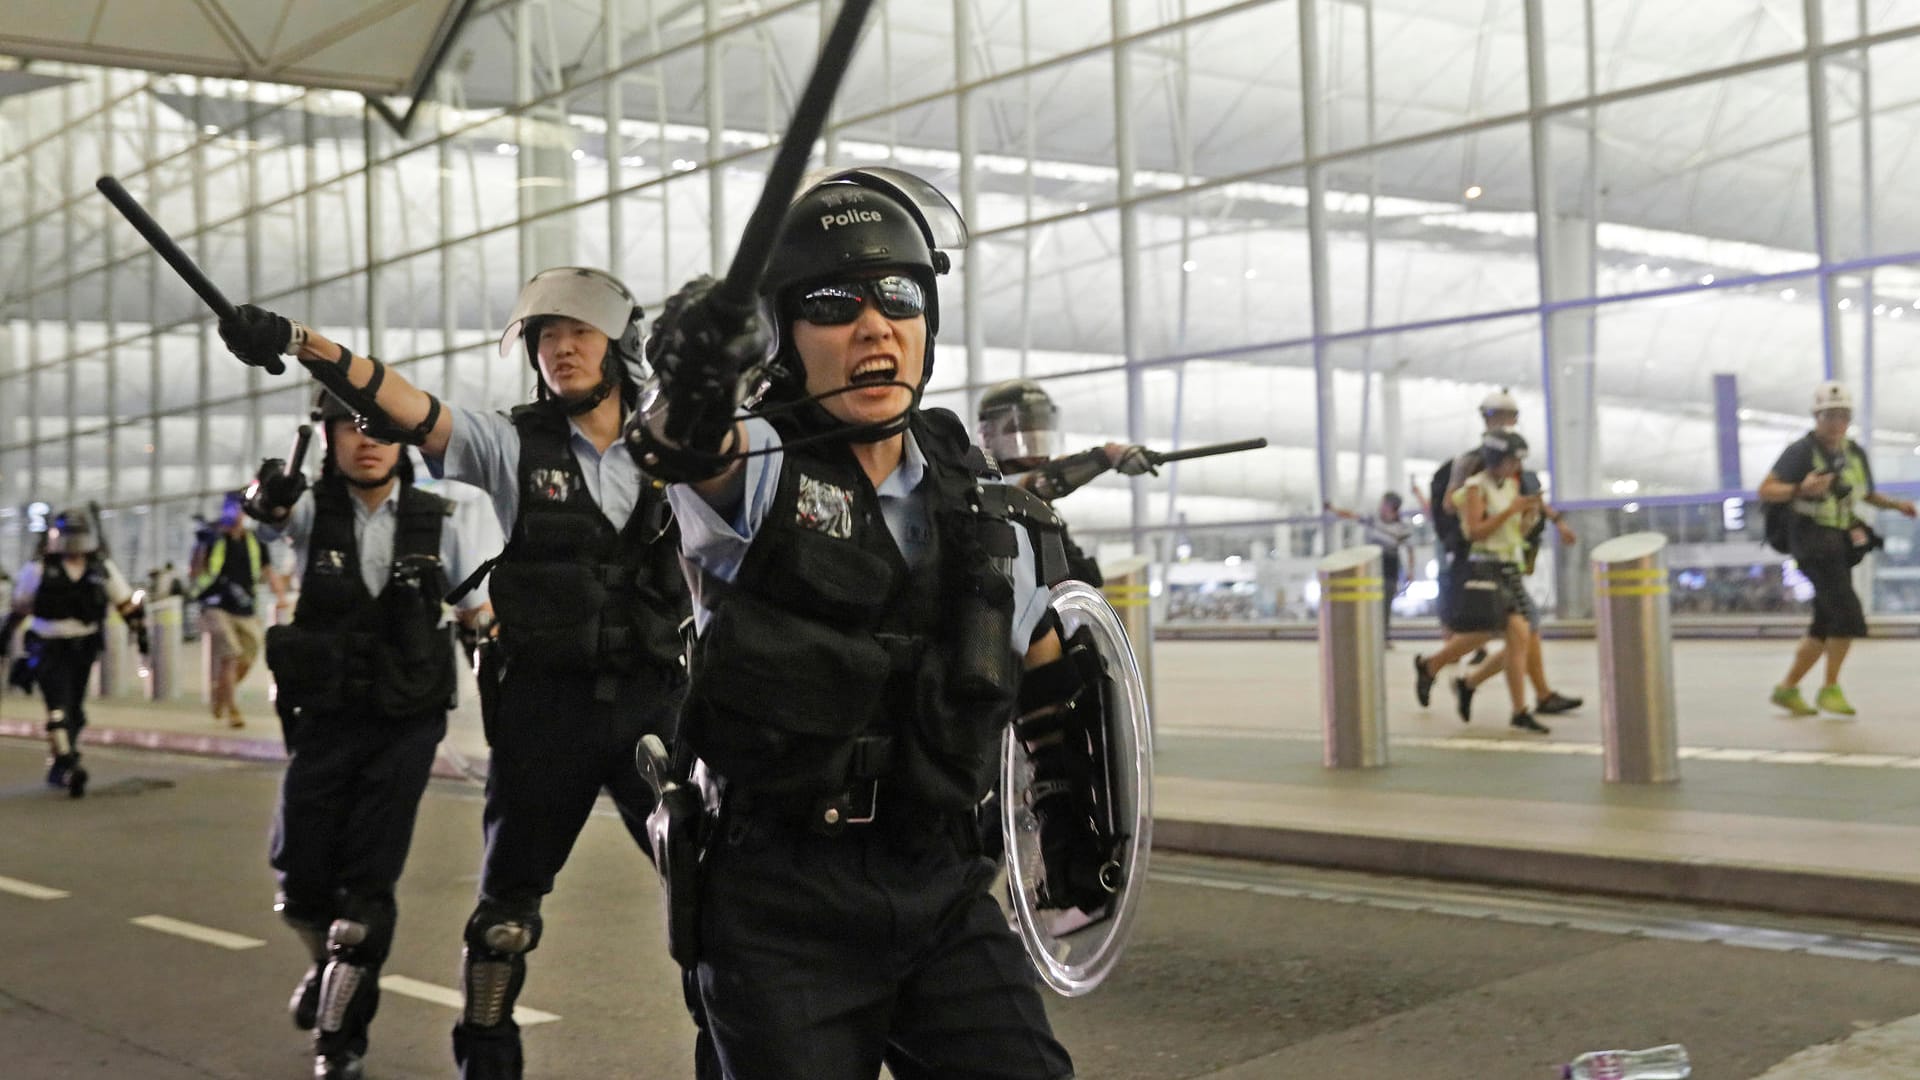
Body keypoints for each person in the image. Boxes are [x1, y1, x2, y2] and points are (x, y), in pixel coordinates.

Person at [629, 167, 1076, 1080]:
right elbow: (680, 445)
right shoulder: (755, 468)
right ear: (787, 339)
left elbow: (1050, 672)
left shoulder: (983, 505)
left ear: (925, 327)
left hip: (941, 881)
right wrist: (695, 368)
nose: (873, 325)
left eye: (898, 298)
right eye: (832, 304)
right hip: (780, 897)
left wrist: (1077, 834)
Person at [215, 265, 693, 1080]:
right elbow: (405, 407)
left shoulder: (679, 442)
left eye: (578, 332)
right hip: (546, 708)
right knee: (505, 919)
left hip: (659, 703)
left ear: (621, 345)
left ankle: (740, 1045)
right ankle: (485, 1054)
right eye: (545, 337)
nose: (560, 350)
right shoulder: (510, 443)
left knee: (718, 897)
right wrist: (301, 343)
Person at [245, 392, 493, 1080]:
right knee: (299, 882)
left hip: (405, 724)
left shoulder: (439, 519)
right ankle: (328, 968)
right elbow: (265, 521)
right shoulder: (307, 511)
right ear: (326, 438)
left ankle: (341, 1036)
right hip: (323, 720)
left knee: (365, 888)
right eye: (349, 427)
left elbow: (478, 614)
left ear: (403, 441)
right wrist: (264, 496)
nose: (367, 440)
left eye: (381, 428)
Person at [1759, 381, 1916, 716]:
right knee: (1846, 615)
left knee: (1825, 619)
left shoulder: (1854, 453)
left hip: (1838, 542)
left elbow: (1866, 493)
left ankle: (1787, 688)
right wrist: (1801, 488)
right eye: (1829, 415)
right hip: (1811, 541)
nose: (1836, 422)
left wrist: (1896, 505)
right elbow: (1766, 489)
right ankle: (1830, 687)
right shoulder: (1801, 452)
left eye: (1842, 415)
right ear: (1817, 417)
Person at [1413, 431, 1550, 733]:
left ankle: (1460, 679)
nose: (1516, 466)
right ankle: (1508, 704)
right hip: (1484, 568)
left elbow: (1516, 531)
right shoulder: (1475, 487)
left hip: (1509, 567)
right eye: (1513, 459)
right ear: (1497, 459)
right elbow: (1475, 531)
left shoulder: (1511, 485)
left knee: (1515, 638)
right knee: (1502, 634)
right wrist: (1511, 512)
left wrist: (1527, 516)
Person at [8, 509, 148, 798]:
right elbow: (20, 607)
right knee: (57, 707)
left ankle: (61, 760)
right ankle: (69, 762)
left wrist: (139, 630)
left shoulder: (99, 569)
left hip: (83, 647)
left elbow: (123, 601)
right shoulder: (39, 570)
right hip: (48, 646)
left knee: (75, 710)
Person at [976, 377, 1157, 585]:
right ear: (989, 434)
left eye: (1040, 426)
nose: (1035, 438)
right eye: (1023, 427)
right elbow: (1041, 482)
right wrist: (1107, 456)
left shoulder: (1046, 510)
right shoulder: (987, 488)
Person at [189, 493, 286, 728]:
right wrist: (202, 545)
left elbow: (267, 570)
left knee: (250, 654)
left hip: (245, 607)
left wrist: (281, 595)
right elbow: (195, 572)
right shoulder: (213, 539)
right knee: (230, 654)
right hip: (215, 605)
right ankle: (232, 708)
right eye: (230, 510)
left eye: (239, 510)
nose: (235, 516)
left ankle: (220, 691)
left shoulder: (254, 540)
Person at [1326, 493, 1413, 644]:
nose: (1381, 506)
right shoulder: (1373, 519)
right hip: (1372, 567)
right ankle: (1370, 636)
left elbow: (1410, 549)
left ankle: (1382, 637)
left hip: (1389, 568)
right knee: (1370, 604)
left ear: (1391, 507)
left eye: (1384, 503)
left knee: (1385, 604)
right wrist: (1333, 509)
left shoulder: (1401, 527)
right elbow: (1352, 516)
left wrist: (1410, 571)